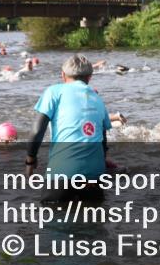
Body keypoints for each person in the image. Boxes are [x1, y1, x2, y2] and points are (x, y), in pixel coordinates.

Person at [25, 55, 113, 199]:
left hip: (61, 174)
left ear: (63, 75)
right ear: (90, 77)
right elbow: (103, 140)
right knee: (93, 218)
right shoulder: (98, 99)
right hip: (94, 177)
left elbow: (37, 131)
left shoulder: (54, 92)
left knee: (52, 215)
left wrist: (30, 161)